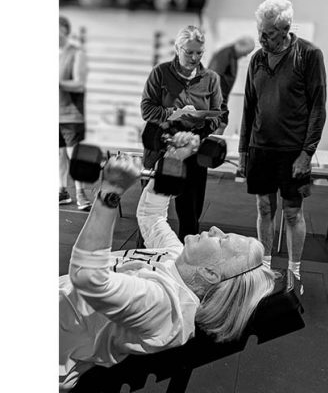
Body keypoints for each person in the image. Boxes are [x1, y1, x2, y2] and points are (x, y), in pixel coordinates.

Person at [59, 132, 275, 392]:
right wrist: (174, 158)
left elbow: (89, 279)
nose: (215, 229)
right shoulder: (178, 258)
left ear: (210, 272)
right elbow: (151, 216)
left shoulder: (166, 306)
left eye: (222, 240)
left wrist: (110, 193)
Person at [238, 0, 327, 285]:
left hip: (293, 152)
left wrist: (307, 153)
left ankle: (294, 273)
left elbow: (318, 108)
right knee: (264, 208)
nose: (262, 39)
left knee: (292, 213)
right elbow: (249, 108)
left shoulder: (309, 55)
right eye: (260, 32)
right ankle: (264, 270)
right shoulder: (257, 59)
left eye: (269, 34)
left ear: (286, 29)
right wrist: (243, 151)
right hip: (260, 148)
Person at [140, 25, 224, 242]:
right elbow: (147, 110)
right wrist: (174, 114)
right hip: (164, 145)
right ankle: (148, 254)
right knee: (153, 210)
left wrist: (200, 131)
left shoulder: (211, 79)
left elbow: (218, 115)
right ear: (177, 49)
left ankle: (188, 256)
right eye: (189, 52)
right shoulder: (160, 73)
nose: (194, 58)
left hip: (194, 147)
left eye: (199, 53)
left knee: (190, 213)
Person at [59, 15, 92, 211]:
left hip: (71, 114)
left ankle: (81, 193)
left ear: (64, 31)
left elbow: (79, 84)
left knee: (74, 155)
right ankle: (62, 191)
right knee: (59, 155)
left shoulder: (77, 53)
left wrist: (58, 83)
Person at [208, 36, 255, 132]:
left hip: (220, 101)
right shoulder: (225, 54)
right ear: (241, 46)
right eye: (246, 52)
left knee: (222, 124)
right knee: (220, 125)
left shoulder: (232, 55)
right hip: (215, 103)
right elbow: (213, 79)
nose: (245, 56)